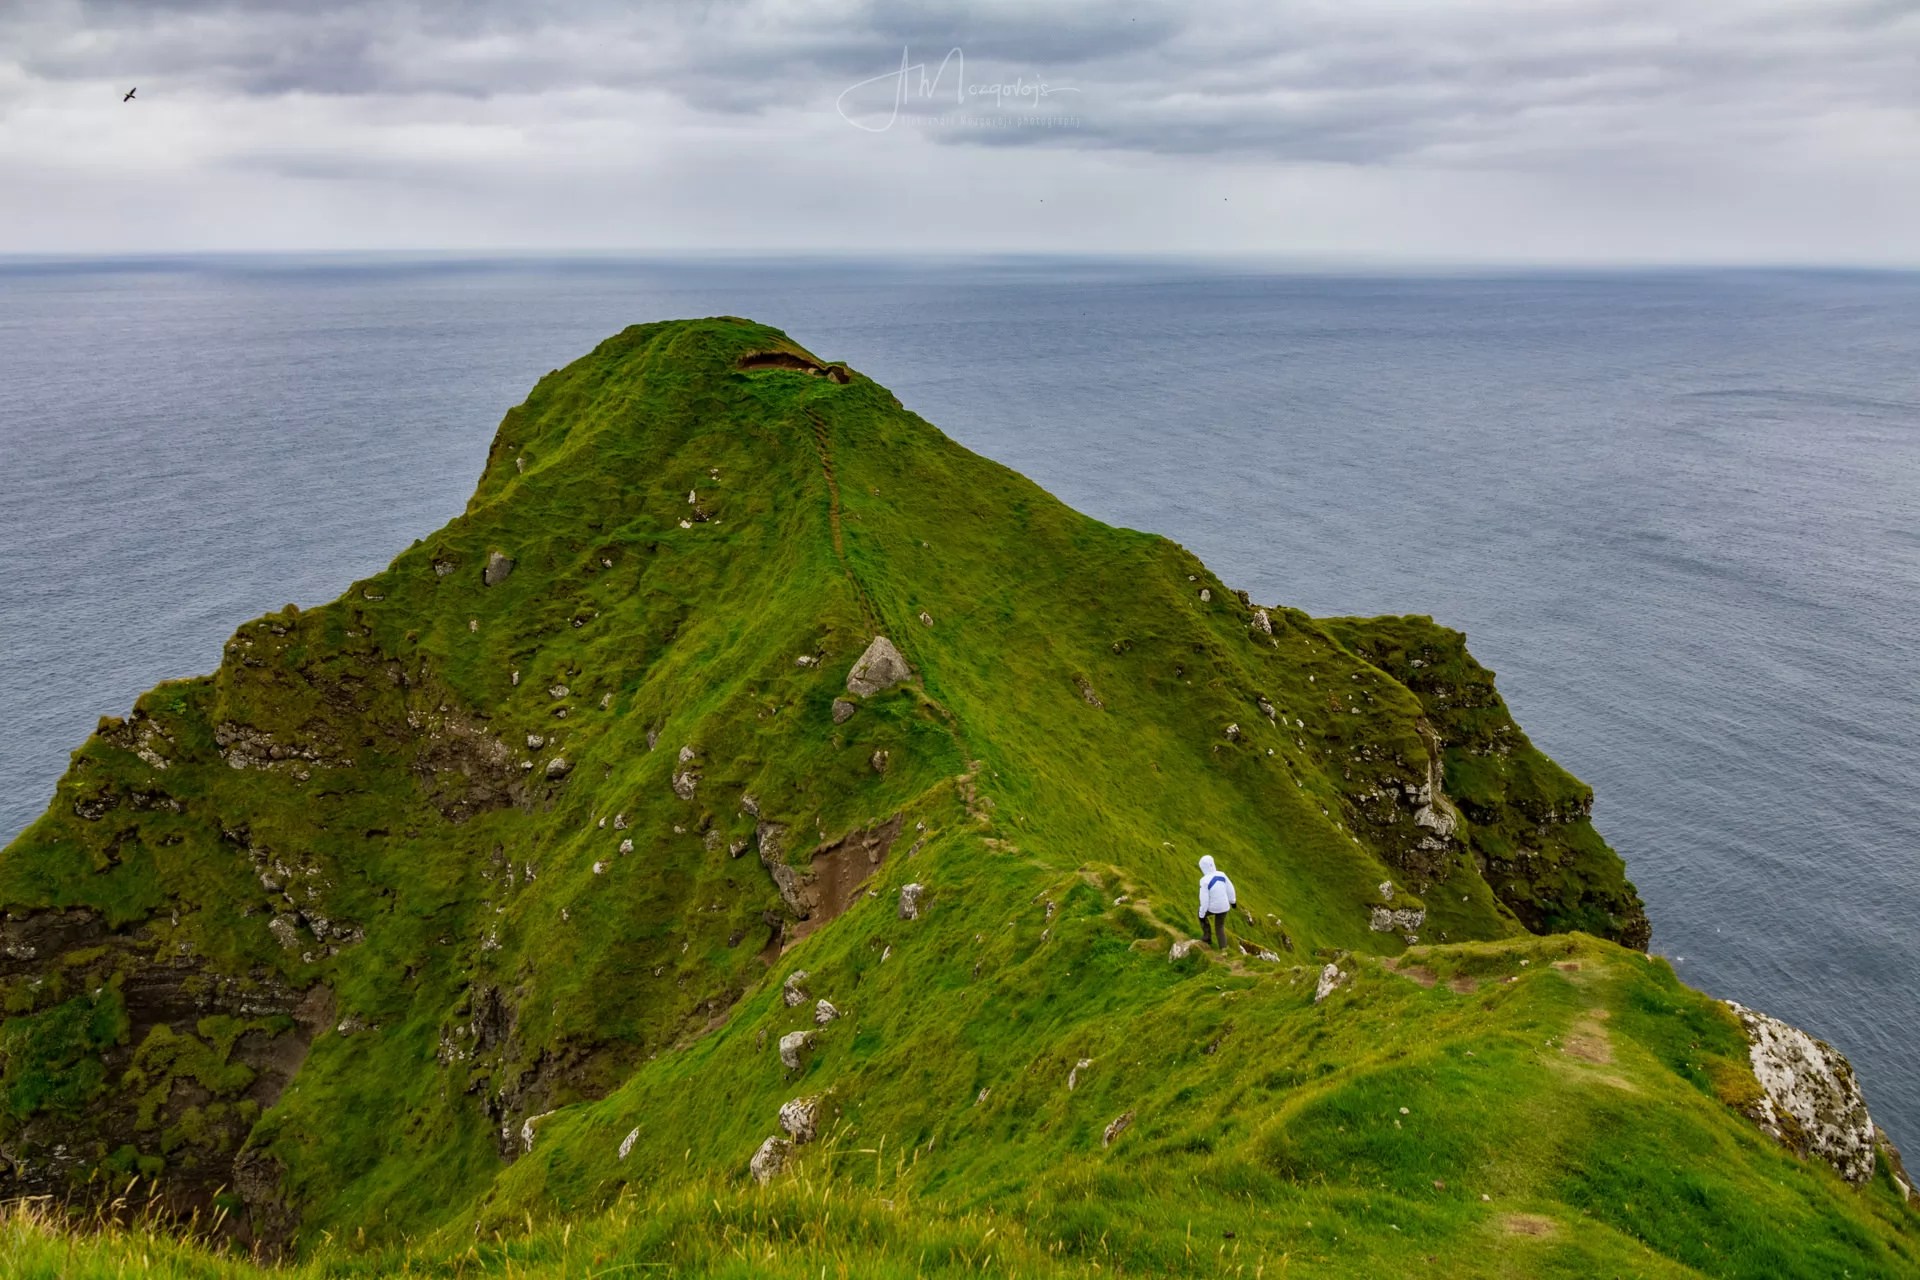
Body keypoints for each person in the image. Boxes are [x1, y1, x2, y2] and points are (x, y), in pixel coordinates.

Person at [1196, 855, 1237, 949]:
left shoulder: (1204, 881)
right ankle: (1224, 950)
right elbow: (1230, 888)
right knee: (1219, 927)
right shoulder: (1222, 874)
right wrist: (1233, 901)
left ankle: (1207, 937)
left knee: (1200, 913)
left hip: (1213, 907)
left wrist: (1202, 914)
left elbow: (1204, 900)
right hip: (1225, 907)